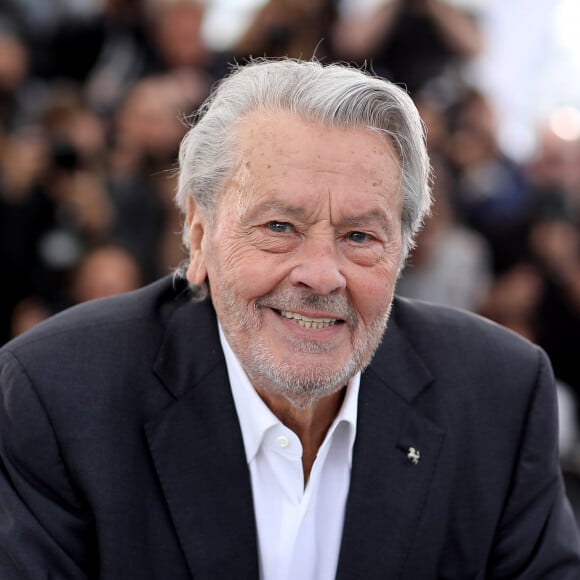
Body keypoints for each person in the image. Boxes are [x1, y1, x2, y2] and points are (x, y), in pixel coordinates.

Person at [0, 58, 579, 579]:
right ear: (198, 237)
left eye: (360, 236)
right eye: (279, 227)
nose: (321, 275)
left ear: (403, 252)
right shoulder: (57, 395)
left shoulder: (500, 394)